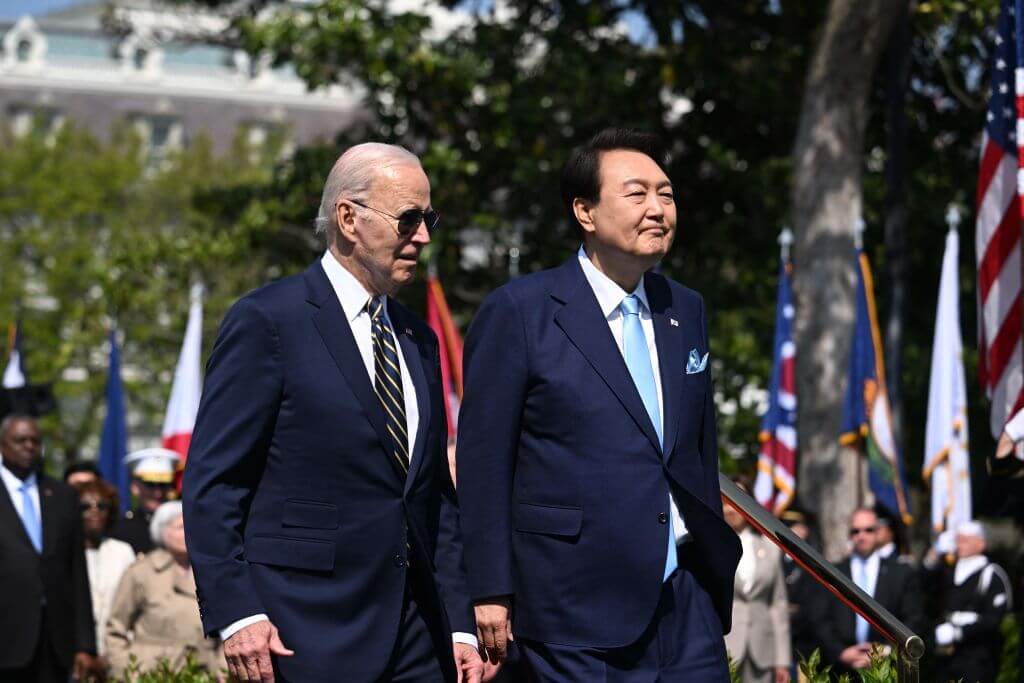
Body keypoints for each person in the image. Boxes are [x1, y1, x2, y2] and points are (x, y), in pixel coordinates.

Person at [182, 143, 483, 683]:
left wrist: (459, 623)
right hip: (302, 631)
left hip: (418, 637)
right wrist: (238, 614)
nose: (424, 236)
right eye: (408, 219)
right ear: (348, 218)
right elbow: (215, 483)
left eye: (429, 218)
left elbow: (435, 496)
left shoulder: (418, 339)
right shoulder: (268, 321)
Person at [457, 128, 741, 681]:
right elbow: (484, 461)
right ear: (585, 212)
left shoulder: (685, 308)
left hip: (686, 602)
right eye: (637, 194)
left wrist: (710, 573)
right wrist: (490, 588)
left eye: (667, 194)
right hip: (572, 604)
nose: (659, 209)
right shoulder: (520, 310)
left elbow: (696, 451)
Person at [0, 414, 97, 681]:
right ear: (2, 445)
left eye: (34, 440)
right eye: (20, 440)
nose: (29, 446)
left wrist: (85, 644)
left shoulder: (62, 495)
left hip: (55, 642)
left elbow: (77, 572)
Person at [105, 501, 223, 677]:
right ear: (162, 531)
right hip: (152, 673)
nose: (188, 532)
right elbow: (115, 630)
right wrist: (127, 672)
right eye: (180, 527)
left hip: (203, 673)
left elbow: (226, 630)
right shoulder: (142, 572)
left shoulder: (212, 572)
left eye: (192, 525)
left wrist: (222, 671)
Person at [818, 508, 924, 674]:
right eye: (856, 531)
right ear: (850, 535)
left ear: (878, 532)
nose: (862, 536)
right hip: (841, 669)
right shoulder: (833, 572)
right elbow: (820, 619)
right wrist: (841, 652)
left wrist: (887, 651)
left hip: (887, 668)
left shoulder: (901, 573)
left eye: (868, 530)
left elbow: (913, 618)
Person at [723, 479, 791, 683]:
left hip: (763, 651)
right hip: (724, 647)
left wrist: (782, 659)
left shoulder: (770, 548)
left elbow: (777, 604)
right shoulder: (711, 548)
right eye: (726, 501)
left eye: (737, 501)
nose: (732, 509)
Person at [932, 521, 1012, 683]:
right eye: (958, 540)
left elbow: (993, 619)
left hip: (977, 656)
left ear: (981, 543)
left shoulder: (991, 574)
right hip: (946, 655)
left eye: (965, 540)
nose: (960, 545)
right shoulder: (950, 570)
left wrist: (960, 632)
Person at [70, 478, 136, 668]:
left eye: (102, 505)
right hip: (76, 658)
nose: (94, 511)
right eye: (85, 506)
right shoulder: (64, 552)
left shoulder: (122, 551)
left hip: (117, 656)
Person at [779, 509, 827, 669]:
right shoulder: (775, 559)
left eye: (796, 526)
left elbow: (815, 605)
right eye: (787, 526)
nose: (792, 531)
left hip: (804, 640)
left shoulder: (813, 563)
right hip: (776, 637)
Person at [109, 447, 180, 554]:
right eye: (150, 485)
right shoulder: (122, 529)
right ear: (135, 488)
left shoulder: (186, 527)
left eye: (163, 485)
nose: (158, 493)